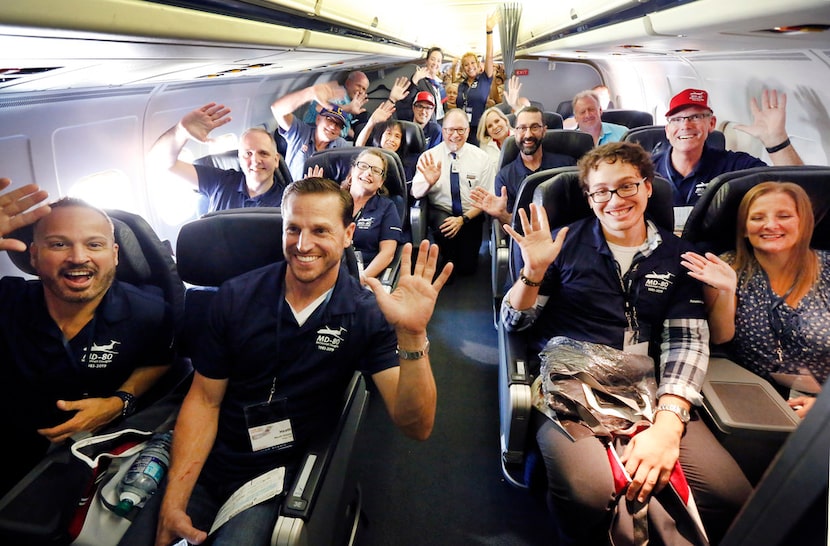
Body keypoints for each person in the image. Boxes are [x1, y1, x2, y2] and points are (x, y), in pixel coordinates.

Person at [119, 177, 451, 546]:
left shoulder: (365, 314)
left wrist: (412, 335)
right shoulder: (235, 297)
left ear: (347, 234)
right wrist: (176, 500)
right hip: (211, 457)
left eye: (320, 230)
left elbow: (416, 426)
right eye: (293, 228)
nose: (303, 244)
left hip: (277, 476)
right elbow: (205, 399)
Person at [501, 142, 752, 545]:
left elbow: (686, 342)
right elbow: (515, 324)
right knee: (589, 494)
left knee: (730, 495)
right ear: (589, 197)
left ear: (648, 187)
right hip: (570, 381)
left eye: (626, 186)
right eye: (601, 191)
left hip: (647, 385)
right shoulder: (561, 245)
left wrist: (669, 424)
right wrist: (532, 272)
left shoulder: (678, 257)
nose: (615, 200)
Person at [0, 187, 176, 497]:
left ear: (115, 255)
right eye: (58, 244)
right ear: (34, 255)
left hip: (93, 455)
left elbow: (160, 361)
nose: (78, 257)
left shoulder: (149, 311)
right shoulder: (7, 301)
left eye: (94, 244)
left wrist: (120, 401)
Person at [681, 181, 829, 418]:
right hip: (758, 399)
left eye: (784, 215)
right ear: (744, 229)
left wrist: (824, 405)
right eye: (758, 218)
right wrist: (726, 291)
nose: (771, 225)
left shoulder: (827, 269)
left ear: (804, 222)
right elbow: (721, 337)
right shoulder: (727, 266)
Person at [653, 88, 804, 207]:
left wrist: (777, 142)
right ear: (667, 130)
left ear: (711, 124)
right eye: (677, 119)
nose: (685, 125)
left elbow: (797, 191)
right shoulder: (645, 168)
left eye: (696, 117)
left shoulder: (734, 166)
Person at [148, 103, 287, 211]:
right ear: (239, 158)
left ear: (276, 160)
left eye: (263, 153)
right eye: (248, 154)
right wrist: (180, 132)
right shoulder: (221, 182)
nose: (255, 161)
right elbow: (161, 162)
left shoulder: (287, 202)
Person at [411, 108, 494, 276]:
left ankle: (456, 258)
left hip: (471, 214)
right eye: (450, 130)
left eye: (460, 130)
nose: (455, 135)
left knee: (467, 269)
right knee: (445, 233)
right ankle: (446, 258)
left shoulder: (482, 158)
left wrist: (462, 220)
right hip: (442, 212)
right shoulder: (429, 157)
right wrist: (428, 182)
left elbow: (487, 198)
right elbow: (415, 193)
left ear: (468, 130)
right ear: (443, 130)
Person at [471, 106, 577, 226]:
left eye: (535, 127)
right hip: (527, 239)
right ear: (515, 132)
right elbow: (513, 225)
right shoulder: (504, 177)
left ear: (544, 131)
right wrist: (502, 215)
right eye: (522, 128)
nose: (528, 134)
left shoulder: (567, 165)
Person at [271, 81, 351, 182]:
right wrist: (310, 93)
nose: (332, 126)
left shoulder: (341, 146)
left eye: (338, 124)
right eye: (329, 119)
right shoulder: (300, 132)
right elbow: (277, 109)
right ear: (318, 119)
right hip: (291, 193)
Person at [343, 148, 403, 282]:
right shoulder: (332, 199)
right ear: (352, 171)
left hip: (364, 275)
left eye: (376, 170)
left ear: (381, 182)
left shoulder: (387, 207)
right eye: (363, 166)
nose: (368, 172)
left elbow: (387, 253)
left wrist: (361, 279)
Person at [456, 12, 498, 145]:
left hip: (479, 129)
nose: (470, 67)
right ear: (463, 68)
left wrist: (489, 31)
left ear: (478, 64)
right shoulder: (461, 86)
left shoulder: (484, 79)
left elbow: (489, 56)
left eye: (473, 63)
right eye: (466, 65)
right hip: (462, 128)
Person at [301, 71, 370, 140]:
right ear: (348, 83)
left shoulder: (351, 102)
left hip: (334, 139)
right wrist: (347, 108)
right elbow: (318, 108)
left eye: (363, 89)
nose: (361, 91)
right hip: (312, 136)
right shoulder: (335, 94)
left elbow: (344, 129)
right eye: (358, 86)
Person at [395, 47, 446, 123]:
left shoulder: (439, 83)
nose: (435, 63)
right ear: (427, 61)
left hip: (440, 121)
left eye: (438, 61)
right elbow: (407, 101)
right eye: (432, 59)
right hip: (426, 123)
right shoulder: (419, 78)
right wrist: (414, 81)